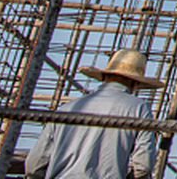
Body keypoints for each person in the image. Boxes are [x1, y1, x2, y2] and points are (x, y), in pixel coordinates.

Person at [24, 49, 162, 179]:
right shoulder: (139, 109)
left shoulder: (67, 108)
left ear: (104, 76)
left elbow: (34, 164)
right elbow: (143, 166)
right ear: (134, 83)